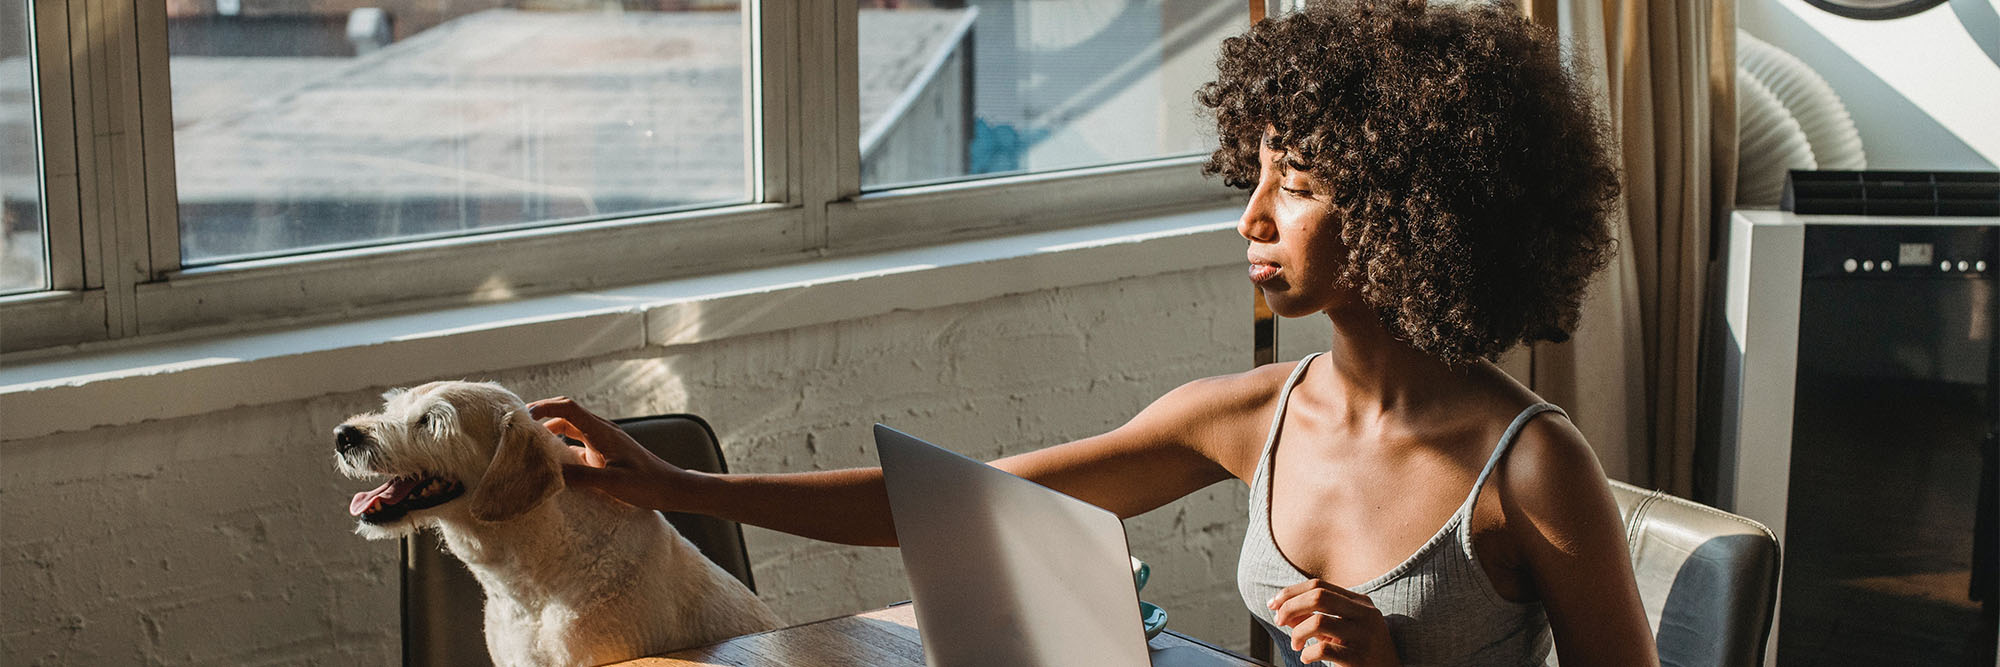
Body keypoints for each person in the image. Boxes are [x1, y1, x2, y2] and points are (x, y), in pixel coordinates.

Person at [530, 1, 1656, 665]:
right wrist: (673, 484)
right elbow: (941, 500)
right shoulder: (1252, 416)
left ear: (1419, 209)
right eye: (1252, 174)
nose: (1251, 218)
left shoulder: (1529, 466)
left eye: (1297, 184)